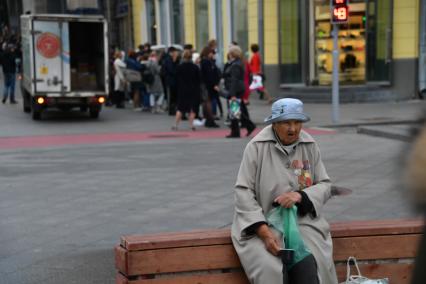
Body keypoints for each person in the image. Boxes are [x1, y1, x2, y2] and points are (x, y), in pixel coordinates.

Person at [231, 98, 338, 284]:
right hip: (263, 226)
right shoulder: (256, 147)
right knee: (272, 269)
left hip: (302, 225)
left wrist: (301, 196)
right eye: (287, 122)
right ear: (274, 123)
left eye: (297, 122)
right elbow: (243, 191)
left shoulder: (309, 145)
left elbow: (325, 185)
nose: (293, 129)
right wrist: (263, 232)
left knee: (309, 267)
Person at [223, 45, 256, 138]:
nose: (228, 54)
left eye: (229, 52)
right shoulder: (235, 63)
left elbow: (234, 80)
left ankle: (236, 132)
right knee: (237, 110)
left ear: (232, 54)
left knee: (234, 111)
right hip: (236, 89)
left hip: (235, 90)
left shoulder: (235, 65)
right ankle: (249, 126)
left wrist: (232, 94)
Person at [172, 50, 200, 131]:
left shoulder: (179, 67)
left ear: (183, 57)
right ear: (191, 57)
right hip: (193, 90)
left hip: (182, 90)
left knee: (180, 108)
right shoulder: (195, 67)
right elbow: (199, 79)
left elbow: (175, 78)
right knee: (192, 109)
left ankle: (175, 125)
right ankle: (191, 125)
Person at [199, 46, 220, 128]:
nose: (213, 55)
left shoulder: (204, 61)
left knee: (206, 102)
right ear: (208, 53)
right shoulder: (207, 62)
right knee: (208, 102)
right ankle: (210, 120)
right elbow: (209, 74)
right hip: (207, 85)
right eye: (212, 53)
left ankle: (208, 119)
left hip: (205, 84)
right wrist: (214, 84)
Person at [164, 46, 180, 115]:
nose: (176, 53)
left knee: (175, 96)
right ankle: (172, 110)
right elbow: (171, 70)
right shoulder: (168, 60)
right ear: (172, 52)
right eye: (175, 52)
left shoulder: (174, 59)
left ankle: (174, 109)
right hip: (171, 80)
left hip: (174, 80)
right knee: (172, 96)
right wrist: (174, 61)